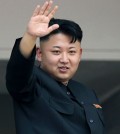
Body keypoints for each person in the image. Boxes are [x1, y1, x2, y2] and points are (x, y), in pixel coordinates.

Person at [6, 1, 105, 134]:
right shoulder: (31, 84)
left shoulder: (87, 92)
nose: (64, 60)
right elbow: (18, 70)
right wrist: (30, 36)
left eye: (71, 52)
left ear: (80, 54)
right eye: (56, 52)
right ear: (39, 54)